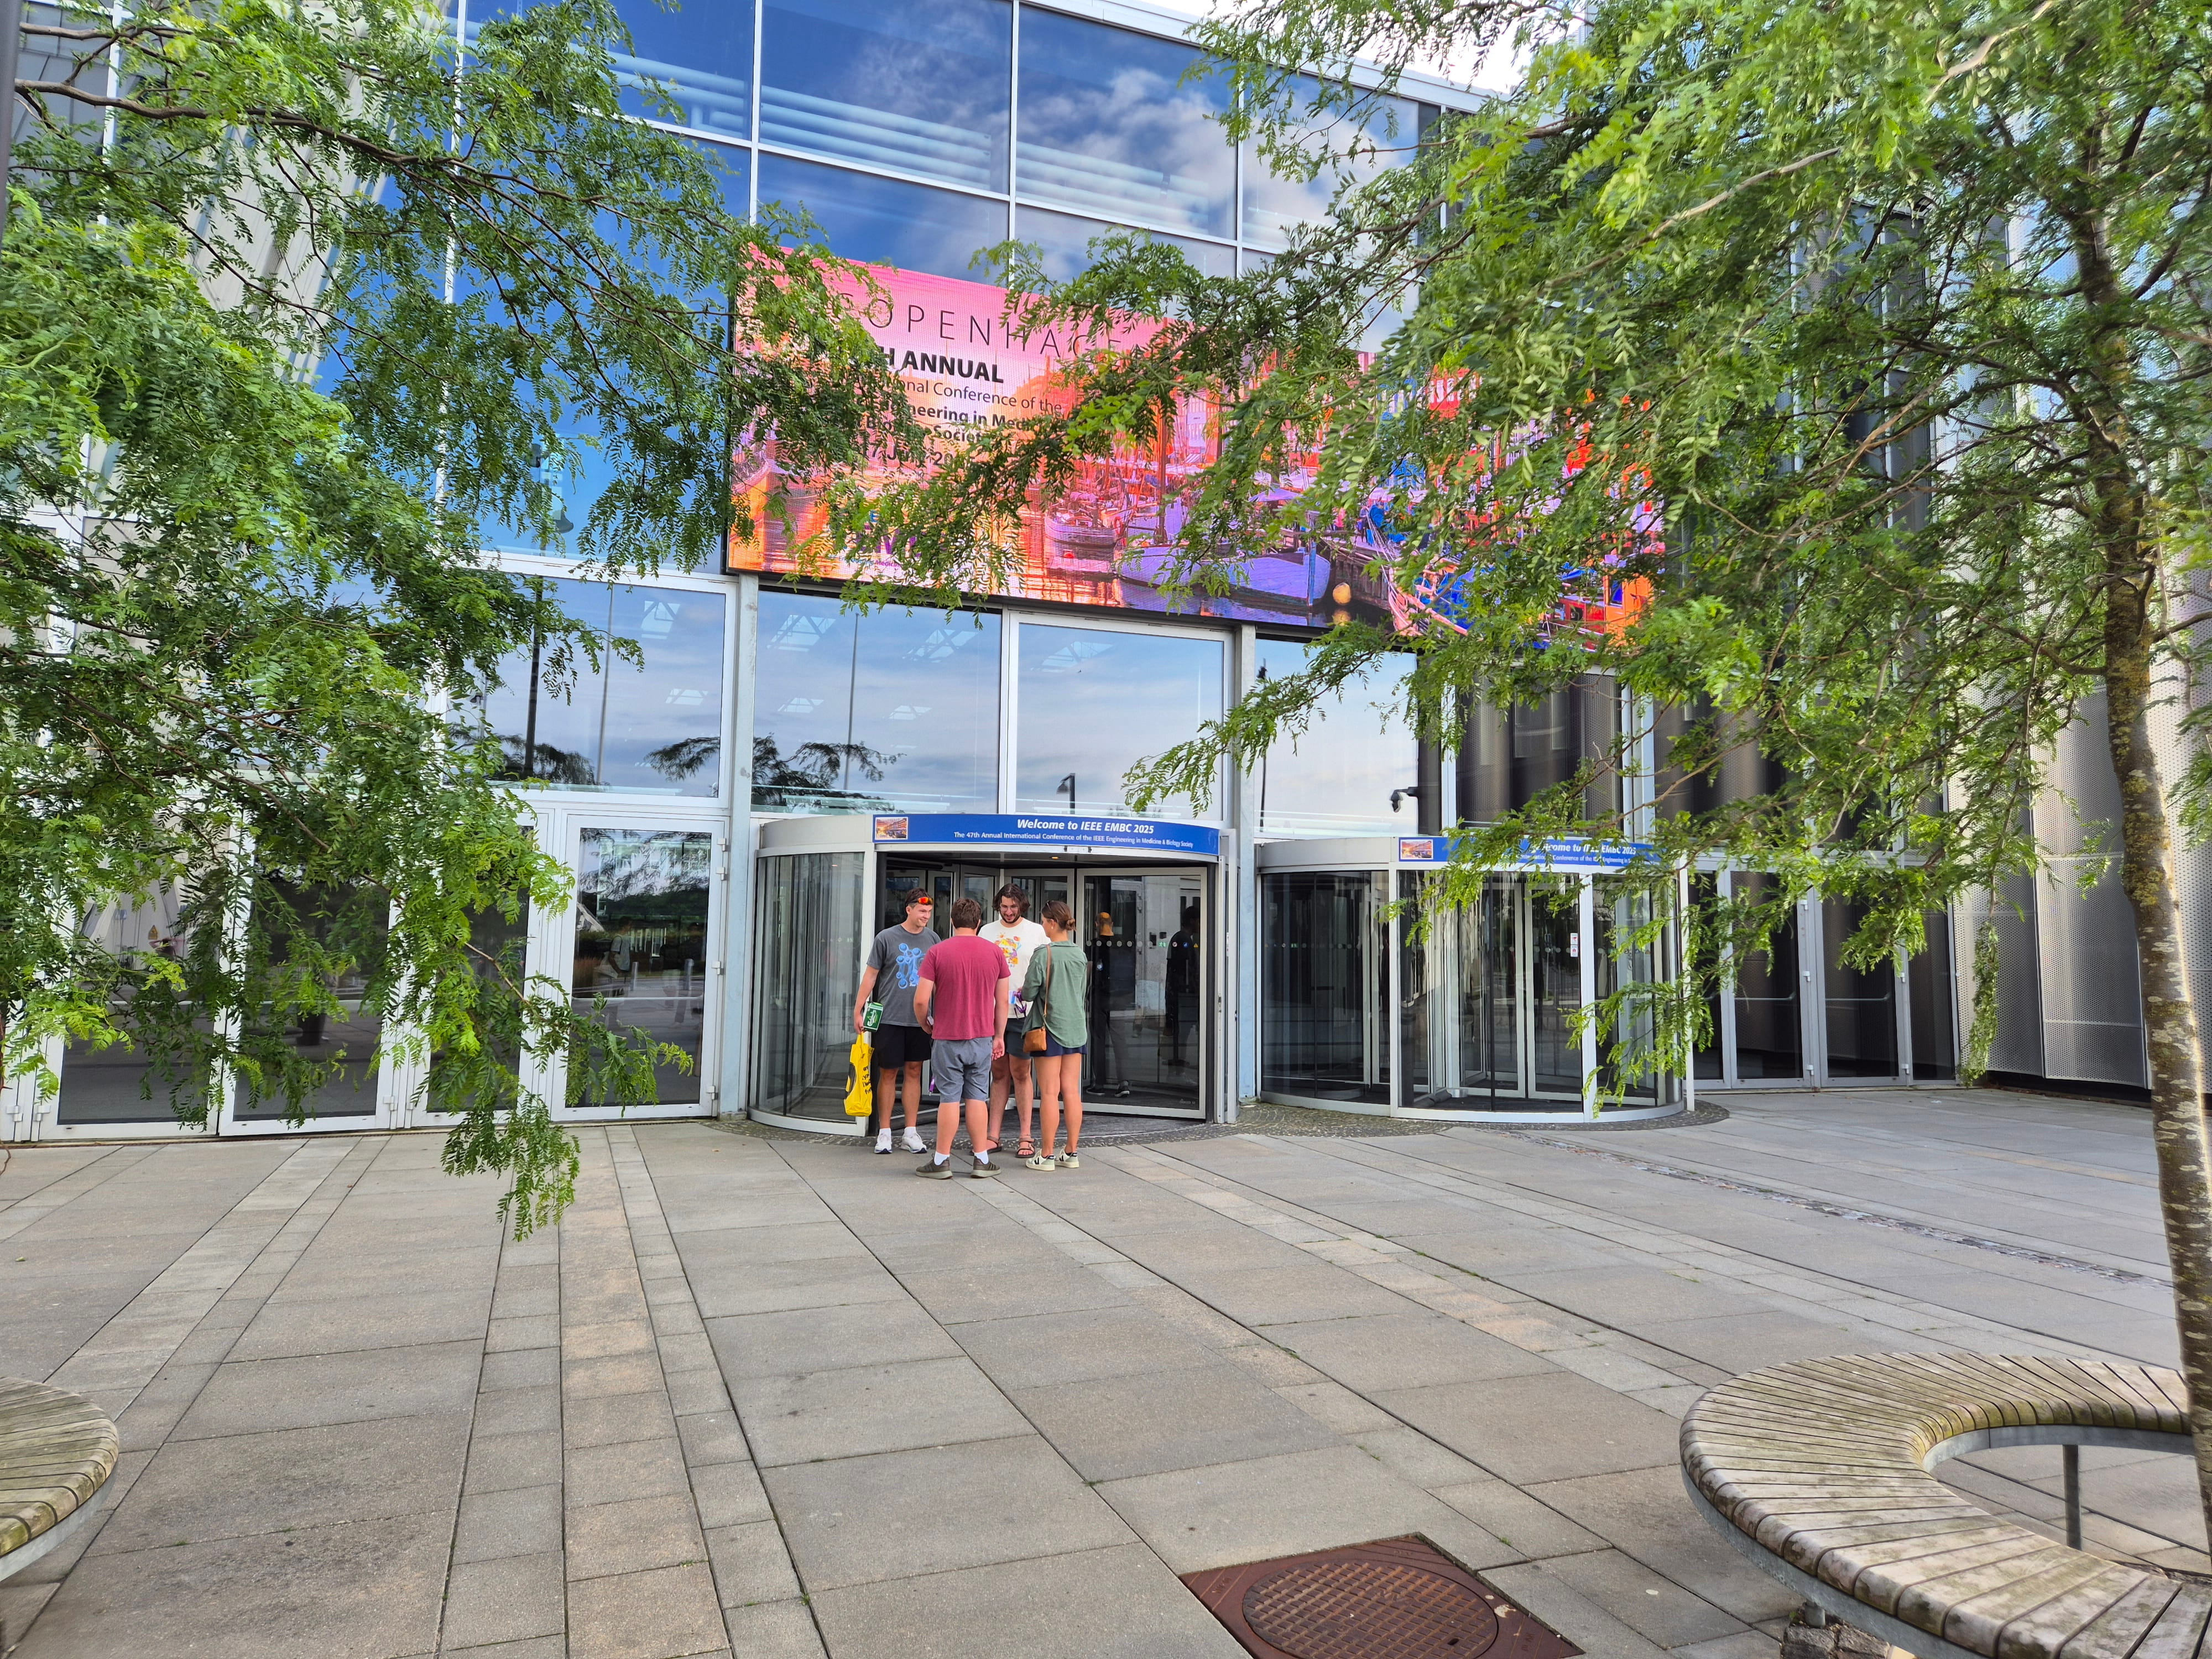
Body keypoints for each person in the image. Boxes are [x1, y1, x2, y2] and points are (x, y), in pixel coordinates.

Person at [912, 896, 1010, 1178]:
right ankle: (981, 1160)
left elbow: (921, 1001)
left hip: (947, 1036)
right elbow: (1002, 1001)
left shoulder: (937, 952)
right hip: (982, 1037)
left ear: (952, 921)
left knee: (950, 1099)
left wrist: (927, 1024)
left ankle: (942, 1160)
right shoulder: (994, 953)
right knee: (978, 1097)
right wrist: (999, 1035)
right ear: (979, 923)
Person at [853, 889, 938, 1154]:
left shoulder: (934, 939)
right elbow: (871, 976)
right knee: (888, 1073)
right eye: (922, 911)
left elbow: (938, 982)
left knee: (914, 1072)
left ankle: (911, 1132)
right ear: (909, 909)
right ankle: (885, 1132)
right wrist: (858, 1009)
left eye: (929, 912)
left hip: (920, 1020)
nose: (926, 916)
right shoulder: (886, 938)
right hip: (889, 1017)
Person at [979, 883, 1048, 1158]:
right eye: (1004, 907)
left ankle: (1025, 1135)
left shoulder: (1035, 931)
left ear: (1022, 906)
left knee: (1021, 1073)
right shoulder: (986, 932)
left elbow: (1046, 968)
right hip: (992, 1012)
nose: (1008, 912)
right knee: (998, 1074)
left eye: (1013, 907)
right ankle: (992, 1136)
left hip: (1023, 1013)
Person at [1020, 901, 1089, 1170]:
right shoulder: (1079, 955)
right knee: (1072, 1092)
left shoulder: (1044, 954)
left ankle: (1046, 1154)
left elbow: (1028, 993)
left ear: (1051, 923)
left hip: (1048, 1029)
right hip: (1076, 1028)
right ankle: (1071, 1152)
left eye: (1043, 921)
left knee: (1049, 1093)